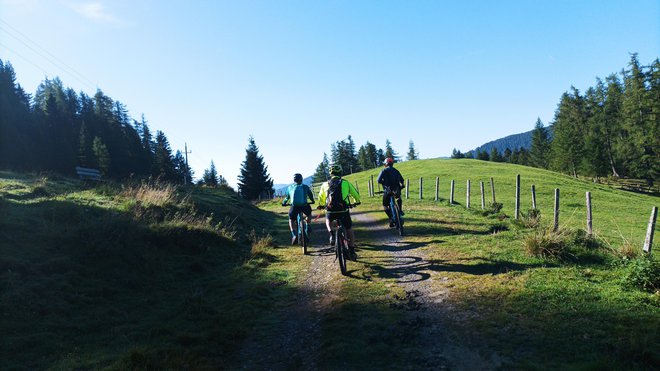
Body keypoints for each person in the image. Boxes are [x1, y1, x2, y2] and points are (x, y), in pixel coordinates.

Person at [317, 164, 361, 260]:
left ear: (331, 173)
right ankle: (352, 251)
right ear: (340, 173)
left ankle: (331, 234)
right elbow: (355, 194)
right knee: (349, 229)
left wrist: (321, 204)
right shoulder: (345, 182)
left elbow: (321, 196)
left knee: (328, 220)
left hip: (330, 210)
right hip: (343, 209)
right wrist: (356, 202)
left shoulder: (325, 184)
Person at [281, 173, 315, 245]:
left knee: (291, 219)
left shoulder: (290, 188)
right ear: (301, 179)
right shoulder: (305, 186)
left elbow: (287, 197)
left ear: (294, 180)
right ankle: (308, 226)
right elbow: (310, 194)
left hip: (294, 206)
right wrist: (312, 201)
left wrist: (284, 203)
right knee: (309, 214)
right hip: (304, 206)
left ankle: (294, 234)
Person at [377, 157, 405, 227]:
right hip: (396, 190)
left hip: (388, 190)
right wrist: (402, 186)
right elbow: (402, 180)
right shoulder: (396, 171)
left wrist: (384, 183)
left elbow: (378, 180)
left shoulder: (383, 171)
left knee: (385, 206)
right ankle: (400, 210)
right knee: (398, 198)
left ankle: (391, 218)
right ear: (392, 164)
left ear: (386, 164)